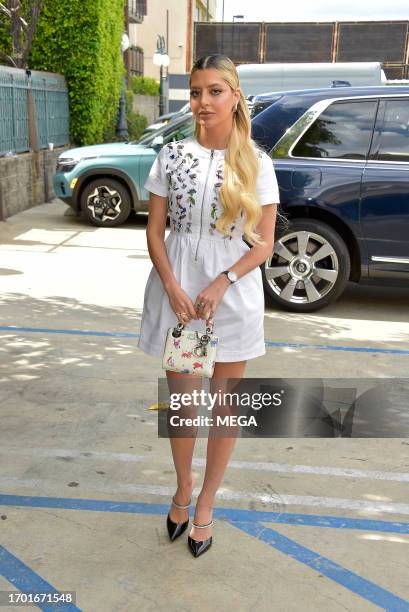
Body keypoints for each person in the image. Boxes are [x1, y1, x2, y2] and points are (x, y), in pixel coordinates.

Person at [138, 54, 280, 557]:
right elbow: (155, 231)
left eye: (214, 91)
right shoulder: (170, 155)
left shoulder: (257, 163)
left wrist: (222, 283)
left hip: (232, 295)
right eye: (195, 92)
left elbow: (262, 244)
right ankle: (181, 488)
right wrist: (173, 286)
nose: (202, 102)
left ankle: (205, 504)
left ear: (235, 96)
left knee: (223, 408)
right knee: (182, 407)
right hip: (178, 291)